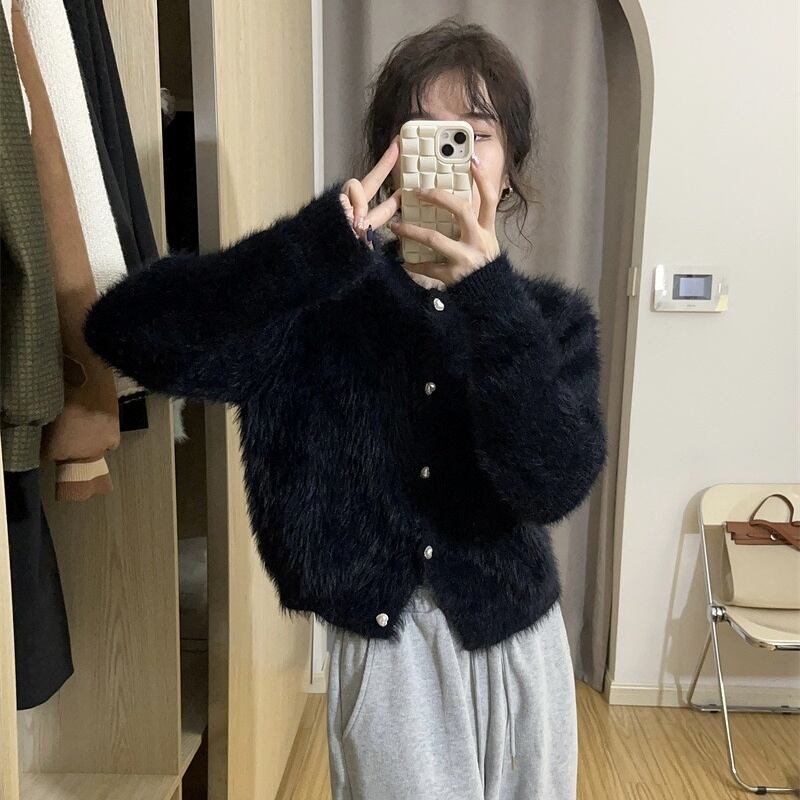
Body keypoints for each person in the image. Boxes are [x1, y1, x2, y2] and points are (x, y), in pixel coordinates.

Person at [83, 17, 607, 800]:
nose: (453, 155)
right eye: (425, 132)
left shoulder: (551, 323)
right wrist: (312, 246)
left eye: (476, 134)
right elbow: (124, 332)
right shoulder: (315, 308)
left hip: (521, 645)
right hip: (389, 656)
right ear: (390, 157)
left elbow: (553, 481)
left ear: (510, 169)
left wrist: (491, 300)